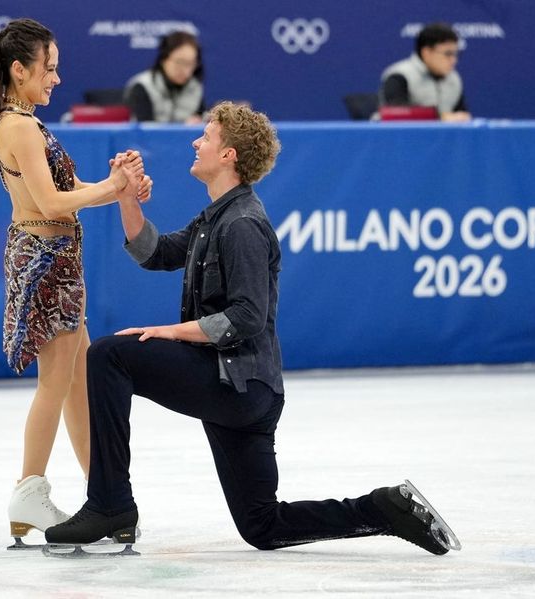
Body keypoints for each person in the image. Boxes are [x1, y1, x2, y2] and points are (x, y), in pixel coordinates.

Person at [44, 101, 457, 556]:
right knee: (263, 526)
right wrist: (125, 196)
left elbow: (246, 317)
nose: (195, 142)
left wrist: (172, 332)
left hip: (238, 384)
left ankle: (109, 504)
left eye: (206, 136)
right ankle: (382, 509)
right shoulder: (216, 216)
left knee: (108, 355)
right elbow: (153, 253)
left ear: (229, 156)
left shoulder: (242, 224)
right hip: (243, 390)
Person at [0, 17, 152, 547]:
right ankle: (30, 489)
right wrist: (113, 187)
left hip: (53, 257)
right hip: (45, 258)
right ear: (19, 70)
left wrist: (123, 189)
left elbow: (69, 188)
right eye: (49, 69)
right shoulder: (19, 126)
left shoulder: (24, 122)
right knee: (57, 380)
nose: (56, 79)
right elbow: (51, 203)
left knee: (77, 379)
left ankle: (105, 494)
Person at [379, 22, 471, 122]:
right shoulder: (399, 75)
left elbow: (460, 114)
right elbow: (396, 115)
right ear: (426, 52)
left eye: (456, 54)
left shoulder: (454, 79)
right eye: (448, 54)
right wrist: (440, 118)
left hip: (442, 137)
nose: (454, 60)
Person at [123, 31, 206, 124]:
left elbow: (201, 118)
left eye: (191, 64)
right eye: (180, 62)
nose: (186, 71)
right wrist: (183, 127)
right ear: (164, 59)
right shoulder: (142, 86)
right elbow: (146, 133)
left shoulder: (195, 87)